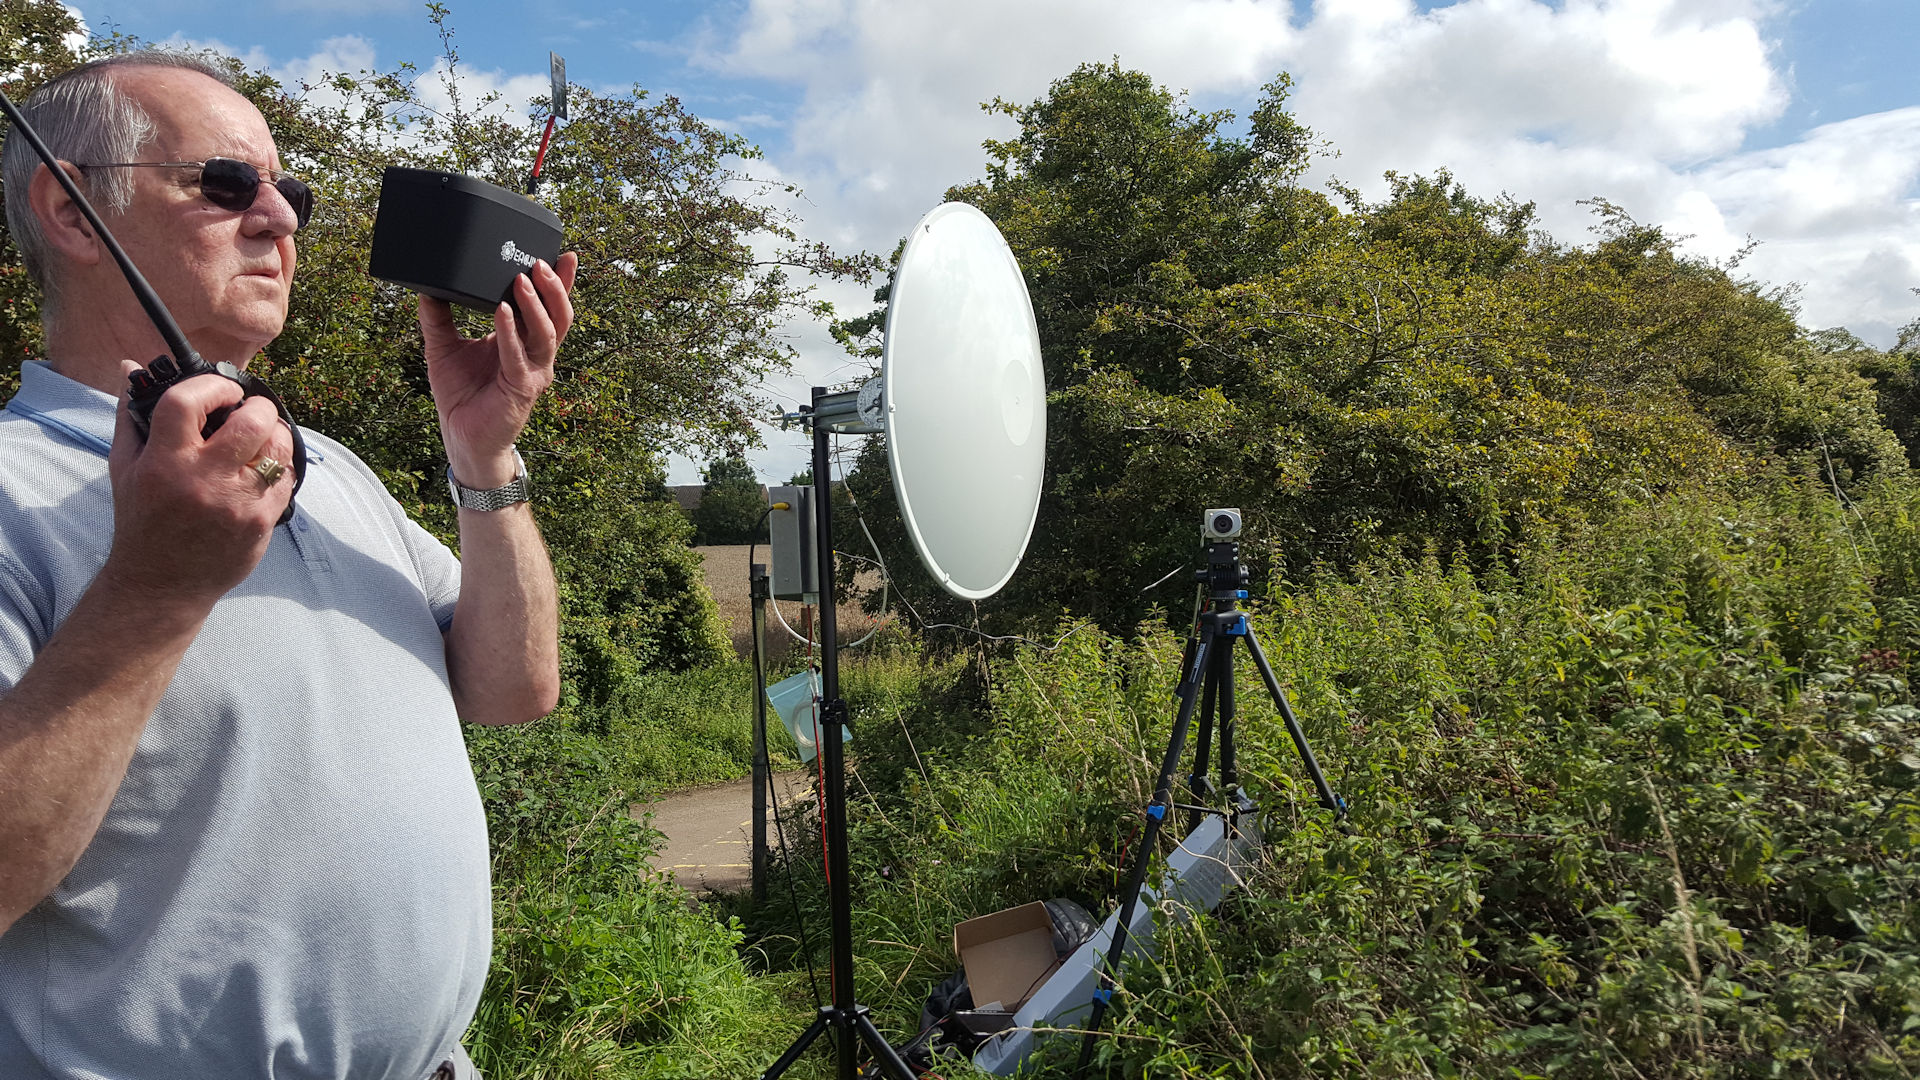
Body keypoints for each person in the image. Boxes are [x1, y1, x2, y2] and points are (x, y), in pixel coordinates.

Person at [0, 50, 576, 1080]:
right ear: (73, 211)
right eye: (225, 184)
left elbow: (514, 688)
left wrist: (485, 455)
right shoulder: (11, 490)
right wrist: (156, 588)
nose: (281, 218)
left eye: (288, 188)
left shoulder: (333, 469)